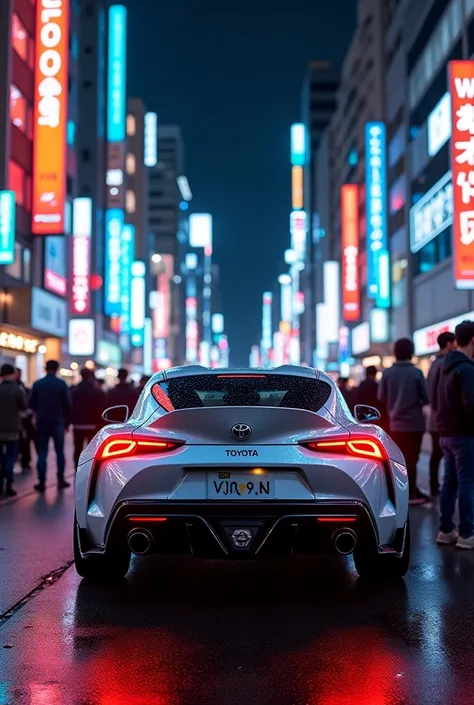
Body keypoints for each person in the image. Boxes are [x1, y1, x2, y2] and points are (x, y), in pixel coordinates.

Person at [433, 321, 474, 549]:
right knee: (467, 484)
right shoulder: (467, 369)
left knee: (450, 483)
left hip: (446, 433)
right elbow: (471, 406)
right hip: (464, 434)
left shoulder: (444, 366)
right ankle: (467, 534)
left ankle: (446, 530)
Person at [378, 338, 430, 505]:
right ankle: (413, 491)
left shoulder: (387, 373)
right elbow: (426, 398)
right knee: (413, 458)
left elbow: (381, 397)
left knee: (398, 460)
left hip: (395, 425)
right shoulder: (417, 373)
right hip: (415, 424)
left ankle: (399, 492)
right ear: (411, 352)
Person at [29, 360, 72, 493]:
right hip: (57, 421)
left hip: (42, 422)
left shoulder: (38, 384)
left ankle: (41, 482)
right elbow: (68, 404)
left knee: (42, 452)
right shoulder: (61, 384)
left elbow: (31, 403)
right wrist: (66, 421)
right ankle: (60, 480)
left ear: (45, 368)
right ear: (57, 369)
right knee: (59, 452)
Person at [427, 331, 456, 496]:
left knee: (436, 454)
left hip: (435, 417)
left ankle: (434, 485)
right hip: (443, 418)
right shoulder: (445, 363)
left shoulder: (434, 363)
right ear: (449, 344)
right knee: (444, 454)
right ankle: (442, 486)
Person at [0, 364, 28, 496]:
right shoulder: (16, 389)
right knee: (11, 457)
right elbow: (24, 406)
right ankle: (9, 486)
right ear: (12, 374)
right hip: (13, 429)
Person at [71, 367, 107, 468]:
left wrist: (69, 422)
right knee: (92, 450)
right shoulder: (98, 392)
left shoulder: (75, 391)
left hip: (78, 425)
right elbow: (102, 408)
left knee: (78, 449)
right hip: (93, 425)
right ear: (91, 377)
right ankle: (89, 469)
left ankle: (77, 469)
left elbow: (70, 407)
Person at [15, 367, 36, 470]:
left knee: (24, 441)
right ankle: (24, 460)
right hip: (18, 420)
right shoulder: (18, 388)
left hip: (21, 420)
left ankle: (25, 460)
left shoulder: (21, 386)